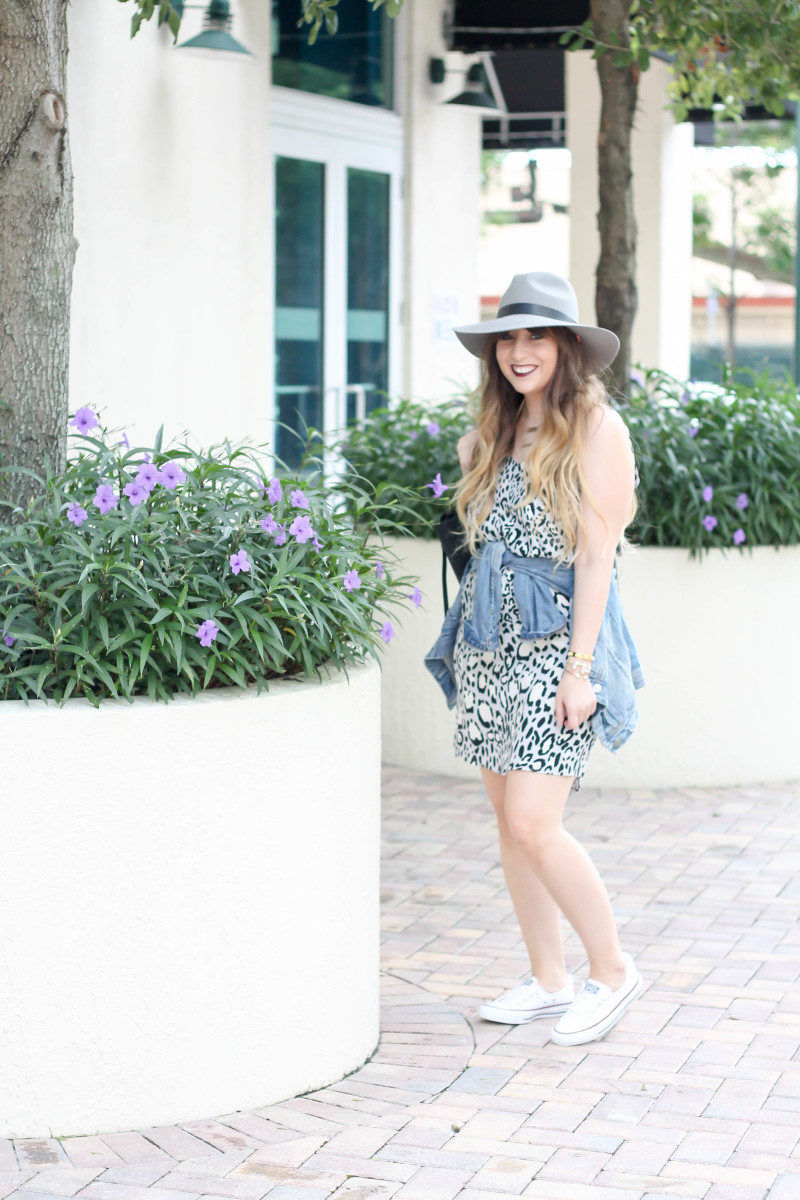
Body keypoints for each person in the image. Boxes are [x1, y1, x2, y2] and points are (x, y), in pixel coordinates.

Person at [424, 271, 646, 1046]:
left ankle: (612, 971)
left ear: (567, 346)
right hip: (489, 646)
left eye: (536, 337)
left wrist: (579, 670)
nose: (520, 352)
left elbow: (595, 560)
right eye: (509, 339)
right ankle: (549, 979)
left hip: (557, 648)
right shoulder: (494, 428)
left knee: (534, 820)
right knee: (508, 823)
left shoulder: (595, 429)